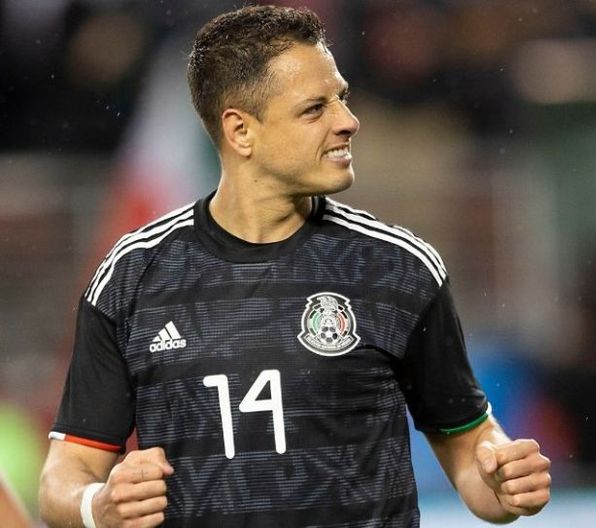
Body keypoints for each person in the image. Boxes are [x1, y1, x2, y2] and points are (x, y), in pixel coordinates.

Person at [38, 5, 551, 527]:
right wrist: (97, 506)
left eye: (342, 98)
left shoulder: (397, 269)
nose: (347, 121)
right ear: (240, 131)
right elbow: (66, 475)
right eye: (314, 109)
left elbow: (468, 446)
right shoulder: (132, 278)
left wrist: (501, 478)